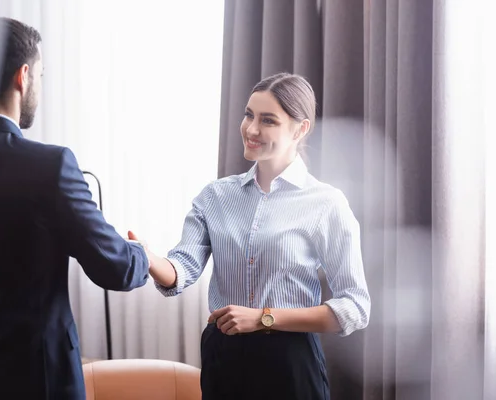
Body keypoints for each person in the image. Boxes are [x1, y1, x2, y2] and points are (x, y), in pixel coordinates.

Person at [0, 17, 149, 400]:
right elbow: (115, 267)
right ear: (23, 76)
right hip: (33, 379)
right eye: (40, 75)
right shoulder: (50, 166)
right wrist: (141, 254)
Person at [129, 72, 370, 400]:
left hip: (291, 361)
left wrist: (263, 318)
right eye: (248, 115)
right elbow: (182, 269)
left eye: (268, 120)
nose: (251, 129)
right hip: (224, 355)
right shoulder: (215, 196)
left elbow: (354, 307)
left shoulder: (326, 203)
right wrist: (146, 257)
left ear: (301, 129)